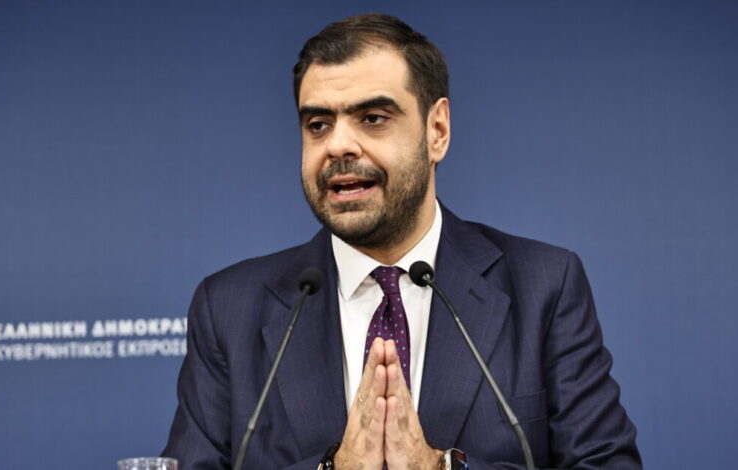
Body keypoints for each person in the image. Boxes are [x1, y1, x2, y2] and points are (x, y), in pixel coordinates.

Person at [163, 14, 641, 470]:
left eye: (372, 117)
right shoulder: (230, 308)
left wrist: (440, 467)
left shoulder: (543, 286)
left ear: (437, 131)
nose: (338, 145)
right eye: (318, 124)